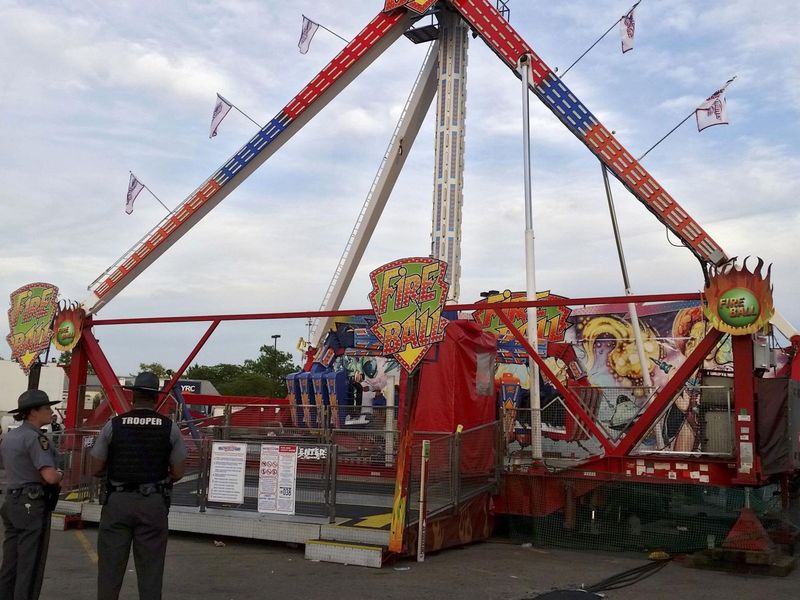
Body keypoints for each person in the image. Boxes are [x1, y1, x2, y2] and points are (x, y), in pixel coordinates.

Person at [91, 371, 187, 600]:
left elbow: (95, 468)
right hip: (152, 503)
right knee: (151, 570)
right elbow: (179, 472)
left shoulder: (113, 425)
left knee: (110, 569)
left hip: (117, 502)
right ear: (156, 398)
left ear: (133, 397)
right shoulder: (169, 428)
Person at [0, 389, 63, 600]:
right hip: (31, 503)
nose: (50, 411)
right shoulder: (36, 438)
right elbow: (50, 476)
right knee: (30, 564)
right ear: (33, 412)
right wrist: (60, 473)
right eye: (46, 407)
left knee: (11, 562)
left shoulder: (11, 436)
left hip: (12, 500)